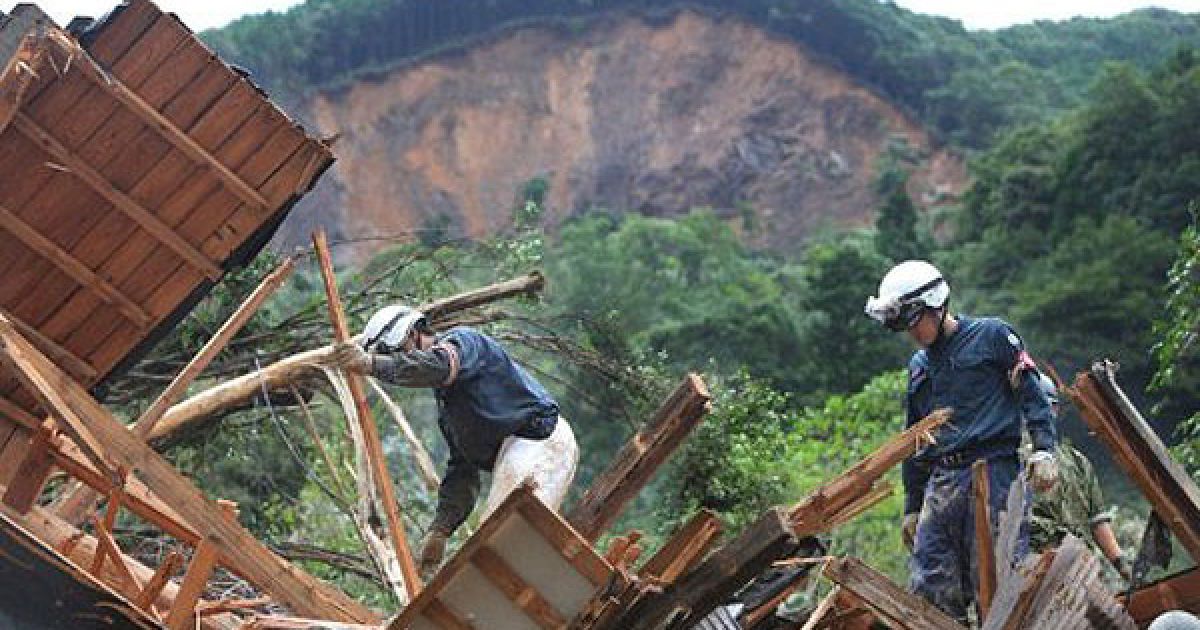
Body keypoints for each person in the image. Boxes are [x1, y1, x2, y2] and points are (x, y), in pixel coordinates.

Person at [864, 260, 1058, 622]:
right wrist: (912, 503)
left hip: (995, 474)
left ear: (937, 305)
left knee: (997, 582)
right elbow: (917, 439)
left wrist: (1045, 449)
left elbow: (1033, 395)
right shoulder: (919, 366)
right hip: (943, 483)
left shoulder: (993, 337)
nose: (913, 333)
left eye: (915, 322)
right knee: (930, 584)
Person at [326, 305, 579, 577]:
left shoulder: (463, 342)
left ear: (414, 333)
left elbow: (437, 366)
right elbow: (463, 467)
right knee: (499, 545)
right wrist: (440, 530)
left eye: (401, 355)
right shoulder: (450, 408)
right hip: (520, 451)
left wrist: (370, 365)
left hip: (539, 440)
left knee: (500, 541)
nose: (403, 365)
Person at [1027, 373, 1130, 581]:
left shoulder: (1078, 463)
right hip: (1034, 576)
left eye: (1047, 406)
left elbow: (1097, 521)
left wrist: (1123, 565)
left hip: (1080, 574)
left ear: (1055, 410)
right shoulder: (1009, 462)